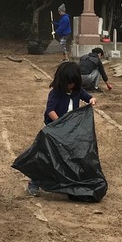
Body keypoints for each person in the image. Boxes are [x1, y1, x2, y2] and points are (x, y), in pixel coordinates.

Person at [27, 61, 97, 196]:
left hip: (69, 131)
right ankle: (34, 182)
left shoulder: (77, 91)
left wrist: (92, 100)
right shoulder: (55, 93)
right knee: (47, 157)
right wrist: (60, 123)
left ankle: (70, 182)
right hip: (54, 130)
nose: (70, 86)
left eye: (73, 83)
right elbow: (50, 110)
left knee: (70, 156)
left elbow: (88, 97)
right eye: (68, 83)